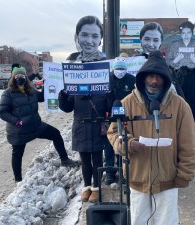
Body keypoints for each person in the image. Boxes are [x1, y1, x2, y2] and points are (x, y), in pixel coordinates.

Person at [107, 50, 195, 225]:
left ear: (165, 79)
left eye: (159, 77)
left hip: (168, 180)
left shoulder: (180, 106)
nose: (154, 81)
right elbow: (114, 133)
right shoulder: (126, 103)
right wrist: (128, 144)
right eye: (150, 76)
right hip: (137, 179)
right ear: (143, 78)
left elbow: (190, 143)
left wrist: (185, 174)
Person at [58, 15, 109, 203]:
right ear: (77, 36)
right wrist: (63, 93)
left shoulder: (106, 64)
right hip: (80, 124)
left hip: (97, 124)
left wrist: (108, 116)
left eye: (95, 36)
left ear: (100, 39)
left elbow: (112, 97)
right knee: (84, 160)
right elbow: (66, 107)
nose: (89, 40)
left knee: (97, 159)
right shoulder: (71, 65)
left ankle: (97, 188)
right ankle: (86, 186)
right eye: (84, 35)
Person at [0, 66, 77, 183]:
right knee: (17, 153)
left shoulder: (30, 90)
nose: (21, 78)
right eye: (18, 76)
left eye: (23, 76)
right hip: (19, 130)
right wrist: (16, 121)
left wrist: (47, 83)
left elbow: (41, 97)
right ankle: (18, 180)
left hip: (35, 125)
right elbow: (2, 112)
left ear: (26, 78)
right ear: (13, 78)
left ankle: (64, 159)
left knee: (55, 134)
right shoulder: (8, 94)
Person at [166, 21, 195, 135]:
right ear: (180, 34)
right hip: (180, 97)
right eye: (183, 32)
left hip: (194, 101)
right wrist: (176, 61)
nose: (186, 35)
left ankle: (194, 142)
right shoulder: (174, 47)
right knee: (179, 121)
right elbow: (168, 62)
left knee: (194, 121)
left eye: (188, 32)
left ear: (192, 33)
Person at [104, 56, 136, 185]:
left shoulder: (131, 80)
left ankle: (123, 173)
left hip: (126, 117)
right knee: (109, 146)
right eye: (118, 68)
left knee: (123, 143)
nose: (120, 71)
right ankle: (110, 173)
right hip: (109, 116)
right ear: (113, 68)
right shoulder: (107, 79)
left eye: (122, 68)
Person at [138, 22, 185, 98]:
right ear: (141, 39)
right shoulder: (131, 64)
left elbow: (179, 97)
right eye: (147, 39)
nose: (151, 44)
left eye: (156, 40)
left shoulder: (168, 65)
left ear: (161, 41)